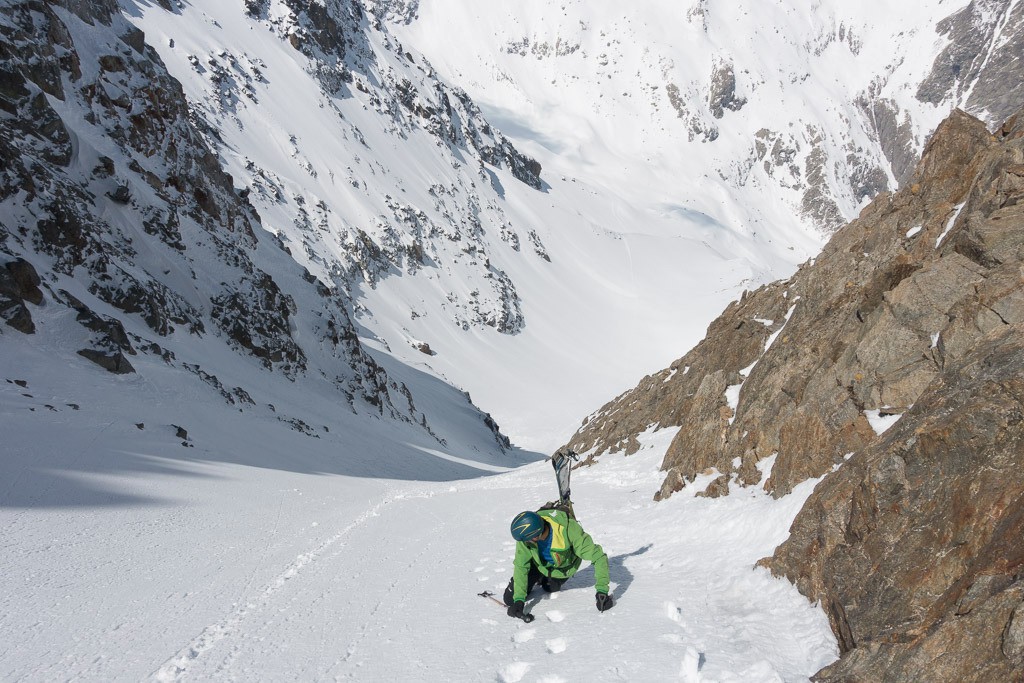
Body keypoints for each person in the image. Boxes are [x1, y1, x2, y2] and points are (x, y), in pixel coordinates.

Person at [503, 508, 613, 619]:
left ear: (536, 536)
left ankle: (545, 579)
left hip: (562, 568)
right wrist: (519, 600)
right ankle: (537, 576)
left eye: (528, 540)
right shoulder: (526, 536)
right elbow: (521, 566)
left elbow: (599, 557)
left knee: (550, 587)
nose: (524, 543)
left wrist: (602, 591)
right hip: (538, 565)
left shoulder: (569, 529)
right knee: (509, 599)